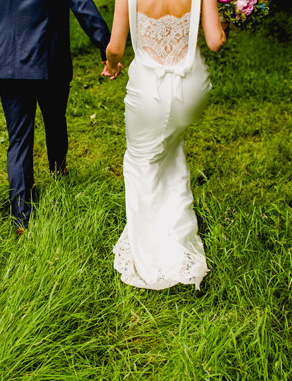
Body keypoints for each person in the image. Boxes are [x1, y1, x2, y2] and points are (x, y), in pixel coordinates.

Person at [102, 0, 227, 289]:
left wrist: (111, 66)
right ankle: (178, 231)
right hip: (191, 88)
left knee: (140, 163)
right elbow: (215, 41)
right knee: (171, 150)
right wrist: (231, 18)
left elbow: (116, 48)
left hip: (149, 92)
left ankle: (152, 257)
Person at [0, 0, 111, 230]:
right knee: (55, 120)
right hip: (50, 54)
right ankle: (58, 174)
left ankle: (21, 219)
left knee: (18, 139)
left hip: (9, 56)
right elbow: (83, 5)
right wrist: (106, 45)